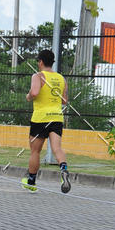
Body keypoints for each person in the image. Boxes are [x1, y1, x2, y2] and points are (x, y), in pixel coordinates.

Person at [21, 49, 71, 194]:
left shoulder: (38, 76)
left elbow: (35, 92)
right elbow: (64, 100)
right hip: (56, 117)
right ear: (52, 62)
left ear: (41, 62)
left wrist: (29, 96)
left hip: (41, 118)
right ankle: (63, 170)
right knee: (57, 148)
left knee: (35, 151)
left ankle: (31, 181)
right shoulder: (61, 78)